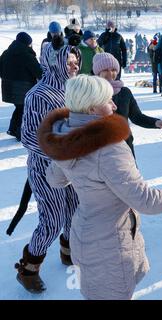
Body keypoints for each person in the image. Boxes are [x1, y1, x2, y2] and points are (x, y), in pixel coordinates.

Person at [38, 75, 162, 300]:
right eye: (108, 100)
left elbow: (55, 180)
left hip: (84, 235)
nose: (115, 105)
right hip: (110, 245)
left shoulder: (66, 137)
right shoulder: (109, 148)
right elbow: (144, 200)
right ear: (92, 107)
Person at [15, 38, 81, 294]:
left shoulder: (74, 89)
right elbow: (29, 136)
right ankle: (29, 268)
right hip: (46, 168)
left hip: (73, 164)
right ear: (54, 63)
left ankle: (68, 250)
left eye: (76, 62)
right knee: (52, 220)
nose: (74, 66)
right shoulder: (38, 94)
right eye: (69, 62)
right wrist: (58, 150)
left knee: (75, 210)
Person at [93, 52, 162, 158]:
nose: (110, 73)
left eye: (113, 70)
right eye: (105, 70)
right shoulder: (91, 93)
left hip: (125, 145)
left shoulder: (125, 92)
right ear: (98, 73)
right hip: (101, 149)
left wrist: (155, 122)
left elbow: (137, 117)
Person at [0, 32, 42, 141]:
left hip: (8, 88)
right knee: (24, 109)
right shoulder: (27, 55)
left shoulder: (6, 53)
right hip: (24, 88)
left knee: (19, 108)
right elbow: (38, 72)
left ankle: (13, 129)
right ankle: (20, 133)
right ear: (27, 43)